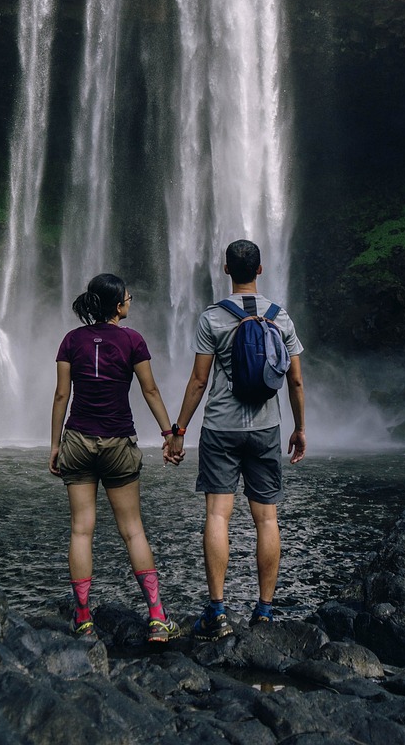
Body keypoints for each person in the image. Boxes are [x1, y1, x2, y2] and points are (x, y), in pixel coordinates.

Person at [167, 239, 306, 637]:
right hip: (265, 428)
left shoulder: (213, 317)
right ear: (260, 270)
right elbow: (295, 380)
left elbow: (198, 381)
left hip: (221, 427)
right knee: (266, 518)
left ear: (225, 269)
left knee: (217, 515)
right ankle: (264, 610)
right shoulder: (281, 318)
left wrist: (178, 430)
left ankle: (218, 611)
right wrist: (299, 428)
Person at [49, 272, 182, 642]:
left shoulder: (71, 341)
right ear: (117, 306)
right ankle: (157, 619)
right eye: (128, 296)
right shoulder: (132, 341)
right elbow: (150, 390)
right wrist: (170, 434)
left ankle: (84, 619)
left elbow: (62, 396)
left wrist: (56, 444)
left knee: (81, 529)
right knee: (133, 529)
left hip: (77, 439)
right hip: (119, 442)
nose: (130, 300)